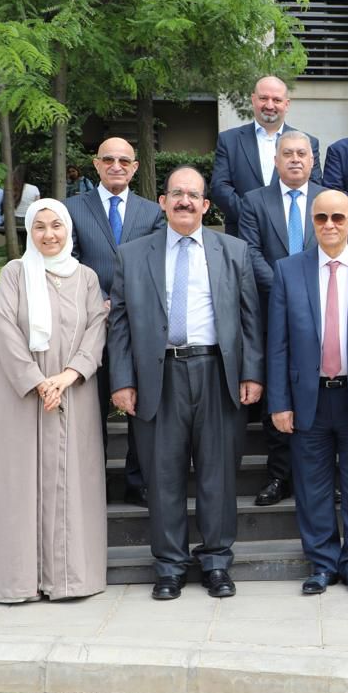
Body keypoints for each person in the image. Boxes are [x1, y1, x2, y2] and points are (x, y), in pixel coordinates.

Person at [108, 166, 265, 601]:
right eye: (176, 193)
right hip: (159, 376)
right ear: (162, 202)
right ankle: (170, 567)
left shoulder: (233, 250)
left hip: (218, 373)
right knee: (163, 476)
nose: (184, 201)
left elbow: (252, 318)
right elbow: (118, 324)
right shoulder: (133, 254)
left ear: (206, 205)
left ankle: (216, 562)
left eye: (193, 195)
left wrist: (252, 372)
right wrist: (122, 380)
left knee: (218, 474)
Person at [0, 198, 109, 603]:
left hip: (72, 393)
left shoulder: (87, 279)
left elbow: (96, 331)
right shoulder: (15, 274)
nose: (49, 234)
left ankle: (69, 579)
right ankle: (15, 580)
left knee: (71, 483)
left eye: (56, 226)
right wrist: (36, 380)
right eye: (40, 227)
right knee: (18, 483)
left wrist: (66, 377)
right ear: (31, 232)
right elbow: (4, 329)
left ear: (68, 231)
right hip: (23, 398)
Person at [267, 189, 348, 597]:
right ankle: (322, 563)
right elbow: (278, 343)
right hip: (309, 397)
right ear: (312, 220)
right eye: (321, 217)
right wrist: (279, 402)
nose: (329, 225)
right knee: (312, 486)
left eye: (338, 218)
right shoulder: (288, 270)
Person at [65, 137, 166, 508]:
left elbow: (156, 265)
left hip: (136, 327)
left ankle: (136, 481)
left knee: (139, 404)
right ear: (96, 164)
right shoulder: (71, 209)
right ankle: (91, 484)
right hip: (85, 326)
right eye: (108, 159)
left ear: (136, 166)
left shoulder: (151, 213)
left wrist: (123, 303)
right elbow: (67, 262)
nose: (116, 166)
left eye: (125, 160)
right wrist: (95, 302)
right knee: (90, 409)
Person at [237, 130, 327, 508]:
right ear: (275, 161)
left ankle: (316, 477)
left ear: (311, 160)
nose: (294, 159)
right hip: (271, 311)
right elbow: (250, 252)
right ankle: (278, 476)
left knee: (317, 398)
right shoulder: (254, 202)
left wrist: (305, 293)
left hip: (321, 315)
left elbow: (337, 247)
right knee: (279, 392)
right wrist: (287, 287)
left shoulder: (328, 201)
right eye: (287, 153)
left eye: (301, 153)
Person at [212, 76, 322, 235]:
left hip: (292, 233)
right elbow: (220, 188)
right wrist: (252, 216)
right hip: (242, 234)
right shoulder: (229, 140)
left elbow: (313, 187)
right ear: (253, 99)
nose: (269, 105)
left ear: (287, 104)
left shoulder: (307, 143)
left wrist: (278, 218)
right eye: (264, 98)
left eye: (277, 100)